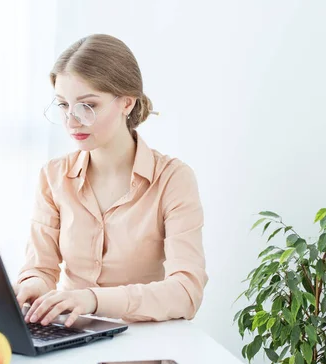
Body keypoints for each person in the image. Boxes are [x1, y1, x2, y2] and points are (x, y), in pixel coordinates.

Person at [14, 34, 207, 328]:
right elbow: (40, 268)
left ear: (127, 103)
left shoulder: (172, 179)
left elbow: (186, 292)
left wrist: (93, 299)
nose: (72, 121)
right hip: (69, 332)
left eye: (87, 106)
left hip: (144, 339)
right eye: (64, 105)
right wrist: (31, 286)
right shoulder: (54, 176)